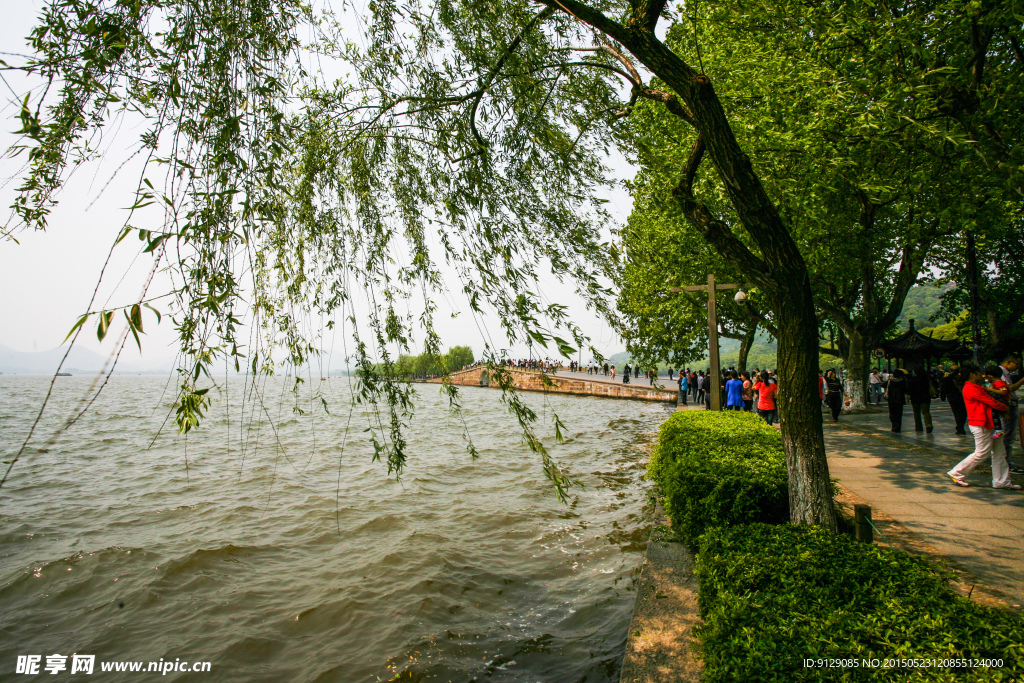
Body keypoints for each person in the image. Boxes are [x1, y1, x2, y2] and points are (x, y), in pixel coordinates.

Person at [946, 363, 1019, 489]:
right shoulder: (971, 388)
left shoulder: (976, 387)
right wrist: (1005, 407)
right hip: (980, 423)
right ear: (972, 374)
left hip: (989, 423)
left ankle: (1001, 481)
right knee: (982, 452)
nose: (982, 375)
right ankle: (957, 472)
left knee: (999, 453)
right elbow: (991, 402)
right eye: (979, 373)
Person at [941, 363, 968, 435]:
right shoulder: (962, 379)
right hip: (962, 397)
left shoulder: (946, 379)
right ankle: (960, 426)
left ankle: (959, 427)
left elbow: (943, 389)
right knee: (963, 413)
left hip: (952, 398)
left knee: (956, 413)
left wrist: (943, 397)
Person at [909, 366, 935, 433]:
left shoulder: (912, 379)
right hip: (925, 397)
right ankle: (928, 425)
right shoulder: (927, 379)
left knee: (916, 413)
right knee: (926, 412)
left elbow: (910, 389)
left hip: (915, 398)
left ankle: (918, 427)